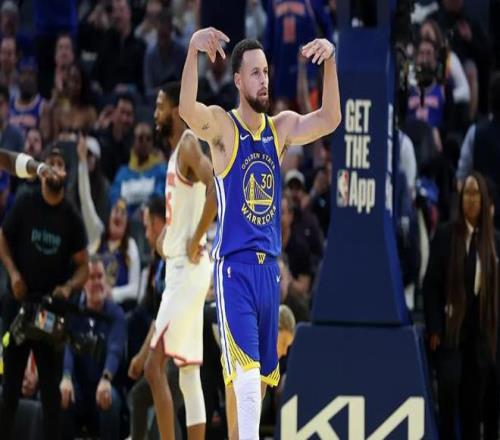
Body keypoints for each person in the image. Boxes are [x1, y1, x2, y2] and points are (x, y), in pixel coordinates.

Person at [179, 28, 341, 439]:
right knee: (248, 381)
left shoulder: (280, 128)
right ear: (237, 80)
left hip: (270, 271)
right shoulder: (223, 126)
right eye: (254, 73)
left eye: (266, 72)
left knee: (252, 389)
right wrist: (193, 50)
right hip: (234, 270)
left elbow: (330, 119)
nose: (264, 80)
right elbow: (187, 110)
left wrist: (331, 61)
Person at [144, 81, 217, 440]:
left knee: (153, 367)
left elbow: (216, 188)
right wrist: (167, 240)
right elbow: (188, 209)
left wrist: (195, 236)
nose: (155, 113)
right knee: (188, 375)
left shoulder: (188, 142)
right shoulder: (174, 156)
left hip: (188, 272)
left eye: (160, 106)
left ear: (175, 110)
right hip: (183, 270)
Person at [0, 146, 89, 440]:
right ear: (39, 172)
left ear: (66, 174)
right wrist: (13, 273)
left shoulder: (72, 218)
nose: (54, 168)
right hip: (19, 306)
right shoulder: (25, 203)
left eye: (60, 164)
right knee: (9, 391)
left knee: (51, 398)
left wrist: (69, 286)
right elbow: (3, 239)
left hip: (51, 313)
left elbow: (84, 267)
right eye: (50, 162)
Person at [424, 171, 500, 439]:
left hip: (481, 335)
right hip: (452, 331)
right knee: (448, 387)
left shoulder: (494, 241)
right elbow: (430, 285)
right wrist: (434, 327)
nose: (471, 199)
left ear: (485, 200)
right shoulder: (446, 235)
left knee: (474, 402)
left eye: (476, 193)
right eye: (467, 193)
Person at [60, 255, 126, 440]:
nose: (97, 282)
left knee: (108, 397)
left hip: (105, 386)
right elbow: (68, 348)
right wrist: (66, 377)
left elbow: (115, 349)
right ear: (83, 282)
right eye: (91, 277)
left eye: (100, 276)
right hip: (80, 389)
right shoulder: (74, 311)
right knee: (61, 394)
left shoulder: (116, 313)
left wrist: (106, 378)